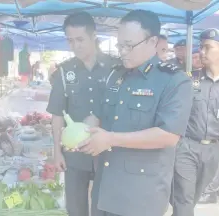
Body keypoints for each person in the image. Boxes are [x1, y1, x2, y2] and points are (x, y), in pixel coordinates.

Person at [79, 10, 193, 216]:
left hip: (139, 195)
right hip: (105, 187)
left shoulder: (175, 81)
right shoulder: (116, 75)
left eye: (128, 45)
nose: (122, 51)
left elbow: (168, 136)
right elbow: (99, 114)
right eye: (119, 45)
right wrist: (85, 128)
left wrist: (110, 139)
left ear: (153, 42)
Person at [46, 12, 119, 216]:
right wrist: (57, 151)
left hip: (107, 150)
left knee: (104, 207)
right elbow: (57, 114)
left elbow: (122, 108)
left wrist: (100, 117)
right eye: (70, 40)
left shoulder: (116, 68)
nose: (75, 45)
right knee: (75, 207)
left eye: (80, 39)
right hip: (74, 152)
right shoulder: (64, 71)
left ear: (93, 36)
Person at [172, 28, 219, 216]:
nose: (201, 51)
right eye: (200, 47)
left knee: (194, 197)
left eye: (207, 47)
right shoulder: (188, 80)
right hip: (187, 147)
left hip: (215, 151)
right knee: (184, 199)